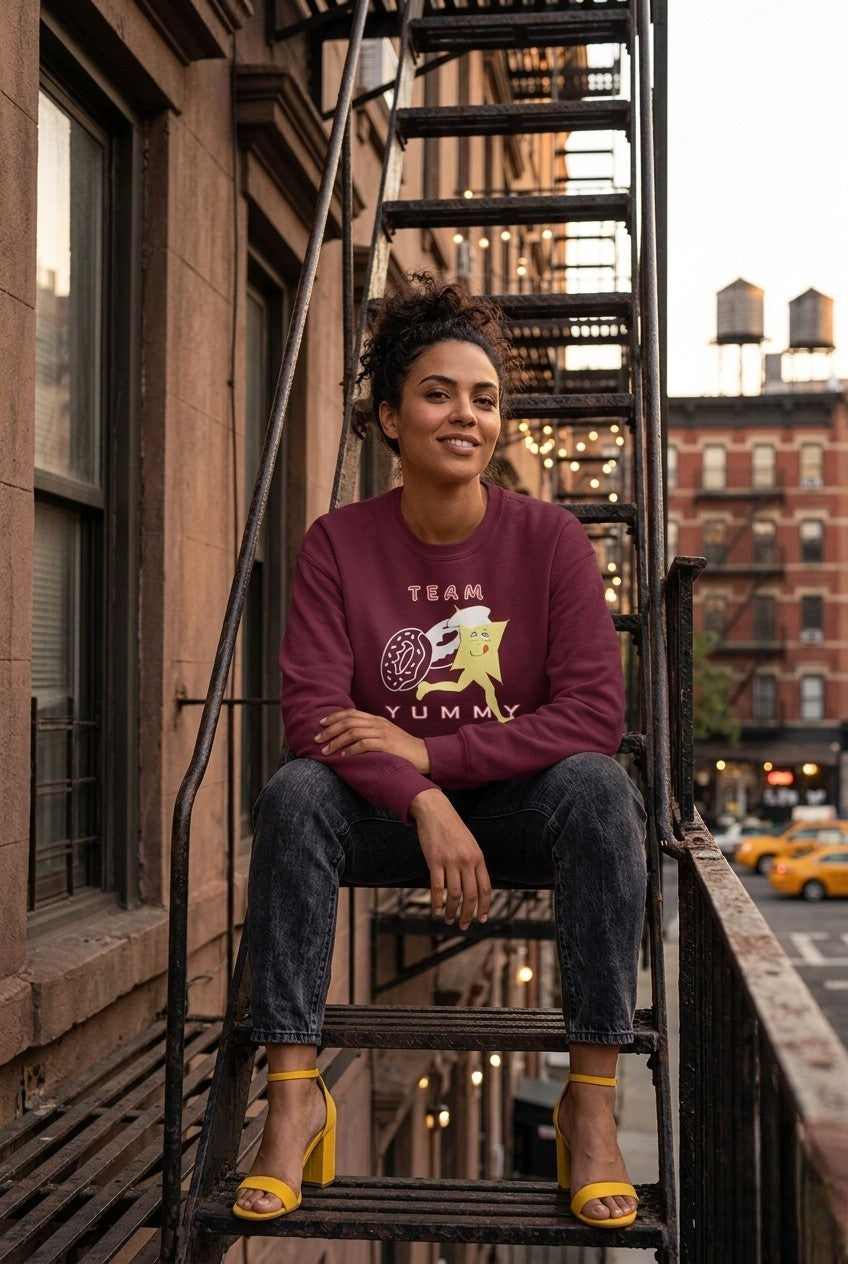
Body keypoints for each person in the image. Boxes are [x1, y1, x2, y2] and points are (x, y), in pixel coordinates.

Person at [233, 274, 647, 1228]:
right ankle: (293, 1097)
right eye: (438, 393)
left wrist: (431, 757)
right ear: (390, 416)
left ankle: (591, 1105)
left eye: (485, 398)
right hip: (385, 814)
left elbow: (591, 715)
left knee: (600, 789)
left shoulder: (552, 540)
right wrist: (419, 798)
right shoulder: (338, 544)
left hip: (521, 809)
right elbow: (315, 716)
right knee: (294, 794)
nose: (467, 414)